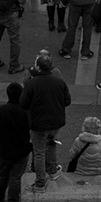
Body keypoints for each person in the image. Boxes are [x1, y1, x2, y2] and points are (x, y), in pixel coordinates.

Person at [22, 53, 71, 190]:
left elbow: (24, 103)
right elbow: (67, 101)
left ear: (38, 67)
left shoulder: (32, 83)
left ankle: (40, 183)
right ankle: (52, 170)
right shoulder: (59, 82)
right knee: (52, 144)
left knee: (39, 152)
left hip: (38, 124)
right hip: (56, 122)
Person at [0, 82, 34, 202]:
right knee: (15, 177)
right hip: (21, 150)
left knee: (2, 174)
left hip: (3, 150)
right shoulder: (26, 112)